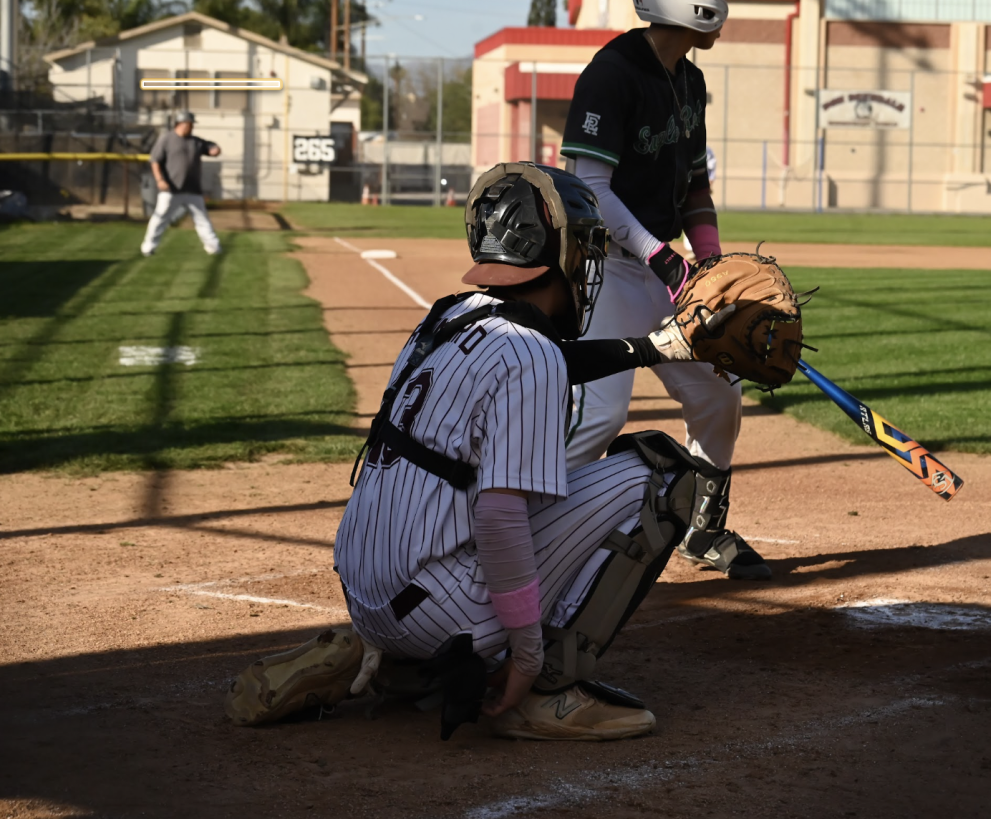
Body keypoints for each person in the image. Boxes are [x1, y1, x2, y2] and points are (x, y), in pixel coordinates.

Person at [225, 162, 738, 741]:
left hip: (367, 591)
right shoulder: (533, 356)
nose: (588, 264)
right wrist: (523, 653)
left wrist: (653, 348)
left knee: (464, 487)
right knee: (666, 474)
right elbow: (499, 516)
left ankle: (393, 662)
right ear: (560, 251)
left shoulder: (446, 317)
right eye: (585, 248)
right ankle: (545, 690)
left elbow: (548, 359)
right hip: (438, 610)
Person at [558, 0, 771, 581]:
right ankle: (532, 529)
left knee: (717, 390)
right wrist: (662, 256)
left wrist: (711, 267)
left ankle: (702, 530)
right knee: (599, 416)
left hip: (665, 270)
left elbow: (695, 183)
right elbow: (590, 187)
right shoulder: (612, 72)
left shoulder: (689, 79)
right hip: (606, 270)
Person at [140, 111, 222, 257]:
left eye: (191, 125)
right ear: (181, 124)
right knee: (160, 219)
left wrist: (214, 148)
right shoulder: (166, 139)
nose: (191, 127)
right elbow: (155, 161)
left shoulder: (195, 141)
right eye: (189, 124)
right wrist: (160, 180)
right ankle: (148, 247)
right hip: (171, 189)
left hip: (193, 190)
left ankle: (213, 248)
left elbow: (209, 147)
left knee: (202, 220)